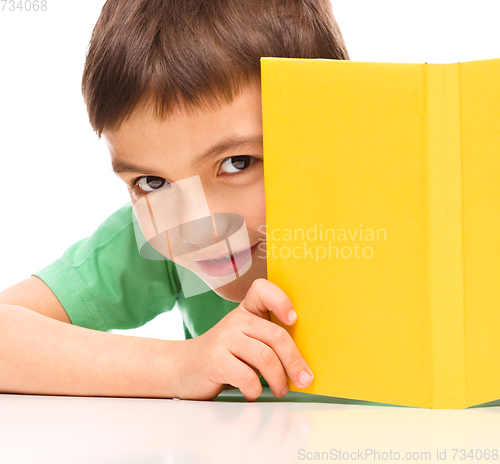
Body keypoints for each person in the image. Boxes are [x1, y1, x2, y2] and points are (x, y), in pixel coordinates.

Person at [0, 0, 349, 401]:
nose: (196, 225)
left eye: (237, 163)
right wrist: (177, 366)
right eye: (152, 182)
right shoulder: (152, 241)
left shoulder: (410, 219)